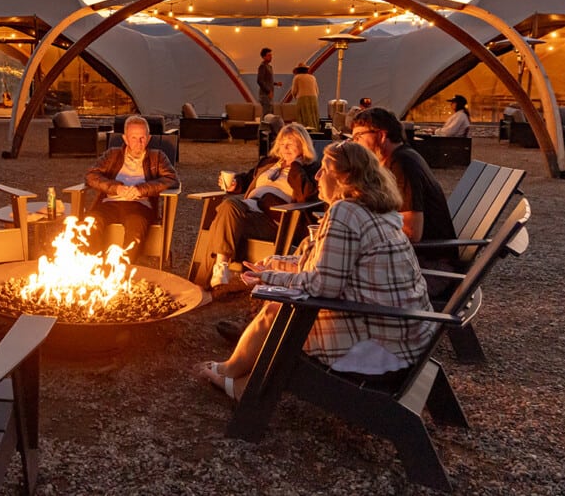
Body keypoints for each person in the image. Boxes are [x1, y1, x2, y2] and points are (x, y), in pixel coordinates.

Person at [195, 140, 435, 401]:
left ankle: (233, 376)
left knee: (278, 308)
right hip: (403, 337)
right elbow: (328, 267)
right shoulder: (377, 209)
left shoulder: (345, 211)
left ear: (345, 178)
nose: (317, 176)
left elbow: (324, 286)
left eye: (325, 169)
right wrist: (274, 264)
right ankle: (240, 377)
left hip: (377, 347)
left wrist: (267, 278)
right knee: (281, 301)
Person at [350, 107, 457, 295]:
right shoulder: (402, 158)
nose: (354, 143)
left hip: (430, 267)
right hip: (420, 259)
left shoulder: (402, 164)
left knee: (347, 280)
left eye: (358, 136)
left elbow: (412, 232)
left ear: (382, 135)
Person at [207, 122, 320, 292]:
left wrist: (295, 165)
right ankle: (218, 274)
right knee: (226, 211)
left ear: (303, 145)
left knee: (227, 209)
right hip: (249, 210)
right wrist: (235, 184)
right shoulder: (269, 162)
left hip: (277, 220)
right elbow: (247, 179)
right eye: (282, 144)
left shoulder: (311, 168)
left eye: (290, 143)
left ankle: (213, 273)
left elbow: (306, 194)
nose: (285, 148)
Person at [84, 115, 179, 264]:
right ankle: (94, 267)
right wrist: (116, 188)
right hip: (110, 204)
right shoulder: (112, 155)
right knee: (92, 222)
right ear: (125, 139)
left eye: (142, 138)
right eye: (133, 138)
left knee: (136, 224)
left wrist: (141, 190)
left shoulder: (157, 157)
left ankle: (123, 270)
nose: (138, 143)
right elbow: (91, 176)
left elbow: (172, 179)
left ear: (148, 139)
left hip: (140, 205)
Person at [290, 63, 320, 130]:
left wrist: (295, 98)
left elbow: (294, 91)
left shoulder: (297, 77)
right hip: (313, 98)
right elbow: (317, 90)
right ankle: (315, 130)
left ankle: (304, 131)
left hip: (302, 98)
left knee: (303, 116)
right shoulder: (312, 77)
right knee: (313, 116)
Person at [256, 47, 282, 115]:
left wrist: (276, 84)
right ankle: (263, 126)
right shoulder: (262, 66)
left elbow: (267, 81)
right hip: (265, 95)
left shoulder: (269, 67)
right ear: (264, 57)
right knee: (267, 114)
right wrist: (268, 91)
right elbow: (260, 80)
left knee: (270, 113)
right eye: (269, 55)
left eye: (271, 55)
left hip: (269, 95)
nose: (271, 57)